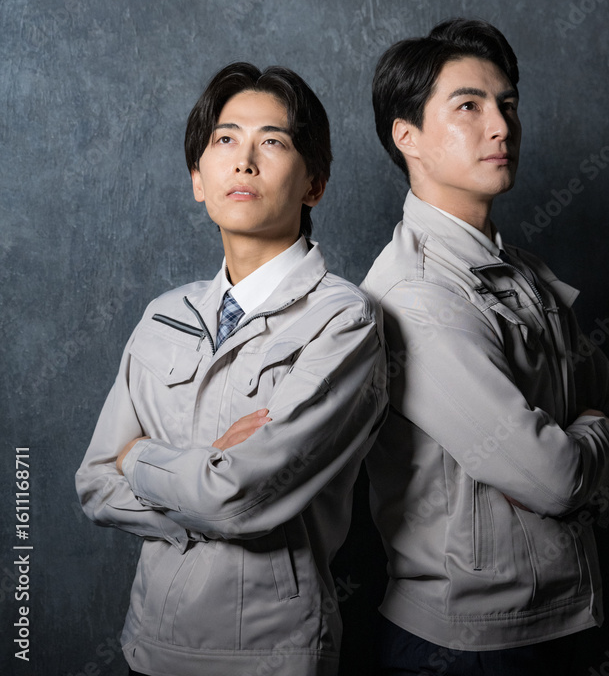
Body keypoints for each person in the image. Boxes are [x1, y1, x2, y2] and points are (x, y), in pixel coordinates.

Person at [76, 62, 386, 676]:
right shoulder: (164, 314)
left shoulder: (344, 319)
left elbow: (235, 498)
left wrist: (138, 458)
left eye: (272, 142)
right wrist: (205, 473)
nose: (243, 161)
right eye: (225, 140)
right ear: (199, 179)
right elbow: (93, 484)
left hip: (273, 653)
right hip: (149, 644)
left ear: (314, 184)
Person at [362, 19, 609, 676]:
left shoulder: (522, 270)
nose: (501, 127)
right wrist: (587, 440)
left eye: (507, 104)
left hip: (565, 617)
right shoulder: (415, 293)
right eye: (468, 106)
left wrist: (584, 445)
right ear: (407, 137)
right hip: (466, 643)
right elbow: (554, 479)